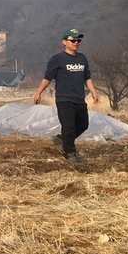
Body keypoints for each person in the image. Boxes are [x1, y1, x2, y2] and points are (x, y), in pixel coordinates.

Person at [32, 28, 100, 161]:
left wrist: (93, 92)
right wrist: (38, 93)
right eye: (72, 40)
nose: (76, 42)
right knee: (68, 126)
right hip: (64, 99)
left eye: (78, 40)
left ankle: (63, 139)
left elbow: (87, 78)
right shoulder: (57, 59)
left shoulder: (82, 58)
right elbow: (48, 78)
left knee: (83, 125)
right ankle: (69, 153)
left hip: (79, 99)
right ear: (64, 42)